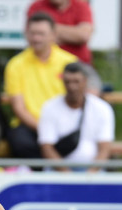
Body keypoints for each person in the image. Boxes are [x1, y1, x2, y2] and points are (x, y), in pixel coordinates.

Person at [5, 12, 77, 159]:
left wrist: (55, 129)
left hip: (64, 125)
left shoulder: (70, 62)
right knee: (20, 142)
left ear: (53, 35)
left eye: (41, 34)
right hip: (30, 126)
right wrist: (45, 130)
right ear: (26, 34)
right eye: (33, 33)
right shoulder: (15, 64)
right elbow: (19, 108)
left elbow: (77, 99)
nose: (36, 38)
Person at [38, 62, 114, 172]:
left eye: (76, 82)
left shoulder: (102, 108)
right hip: (57, 170)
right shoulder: (49, 107)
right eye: (67, 82)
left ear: (85, 81)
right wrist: (67, 174)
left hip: (92, 171)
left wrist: (91, 174)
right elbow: (46, 147)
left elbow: (105, 148)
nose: (72, 87)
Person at [26, 0, 94, 65]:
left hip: (79, 65)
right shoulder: (37, 6)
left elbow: (83, 35)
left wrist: (49, 31)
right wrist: (74, 35)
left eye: (42, 32)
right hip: (46, 65)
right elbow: (33, 34)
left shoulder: (81, 6)